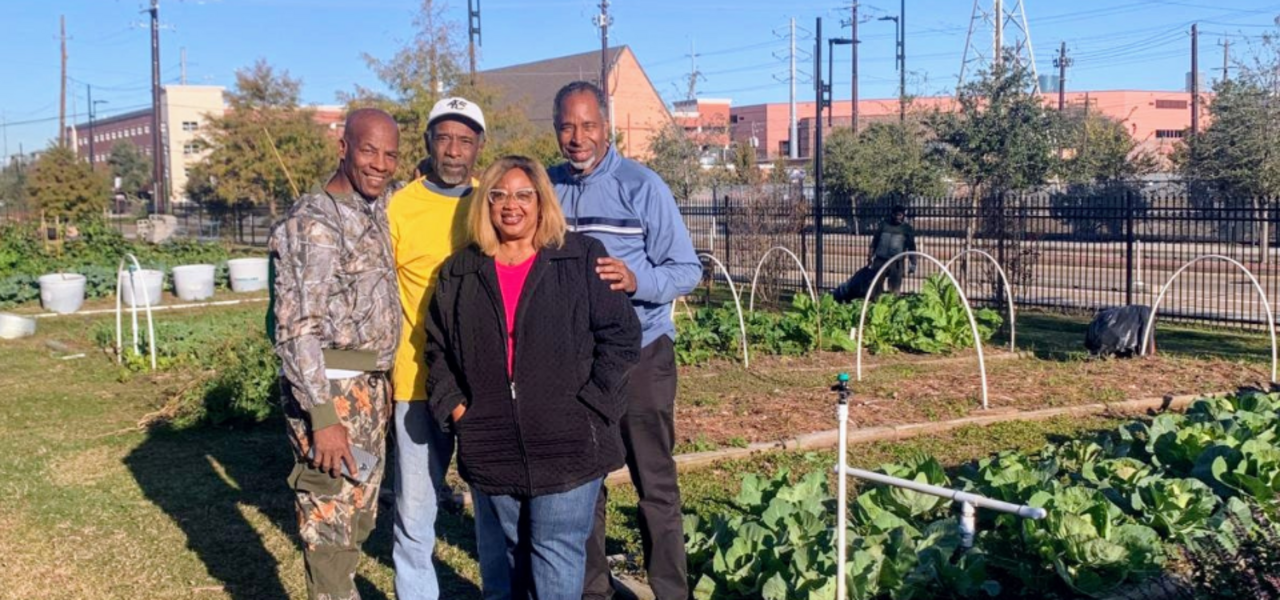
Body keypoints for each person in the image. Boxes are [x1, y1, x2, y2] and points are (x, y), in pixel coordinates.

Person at [426, 155, 641, 600]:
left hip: (569, 443)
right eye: (499, 194)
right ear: (484, 204)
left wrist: (593, 408)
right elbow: (437, 348)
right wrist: (458, 409)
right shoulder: (460, 270)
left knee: (555, 554)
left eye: (524, 194)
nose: (512, 205)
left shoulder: (580, 258)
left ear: (542, 202)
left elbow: (621, 336)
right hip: (490, 440)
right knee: (505, 559)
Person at [547, 81, 701, 600]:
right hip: (578, 363)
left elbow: (686, 269)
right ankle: (593, 592)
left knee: (654, 484)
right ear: (556, 130)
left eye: (587, 125)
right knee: (581, 486)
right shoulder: (546, 189)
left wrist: (638, 282)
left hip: (641, 355)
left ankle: (670, 591)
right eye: (567, 126)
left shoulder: (642, 186)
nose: (577, 137)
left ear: (605, 128)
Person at [269, 108, 402, 600]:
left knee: (357, 517)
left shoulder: (373, 208)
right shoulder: (313, 222)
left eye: (390, 154)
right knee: (328, 524)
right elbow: (296, 328)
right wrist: (322, 416)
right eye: (369, 150)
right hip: (332, 392)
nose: (381, 164)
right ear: (343, 147)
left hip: (369, 390)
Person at [387, 96, 486, 600]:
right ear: (428, 143)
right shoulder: (398, 207)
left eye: (465, 140)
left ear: (479, 148)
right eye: (444, 138)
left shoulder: (493, 203)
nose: (453, 150)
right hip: (418, 382)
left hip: (487, 385)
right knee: (415, 513)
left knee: (495, 510)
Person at [867, 204, 917, 297]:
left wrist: (913, 263)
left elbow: (911, 246)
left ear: (903, 216)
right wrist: (870, 256)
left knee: (894, 288)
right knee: (876, 285)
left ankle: (893, 305)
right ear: (892, 214)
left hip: (896, 262)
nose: (898, 217)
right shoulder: (883, 225)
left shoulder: (906, 229)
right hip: (880, 260)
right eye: (896, 215)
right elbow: (875, 241)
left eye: (900, 215)